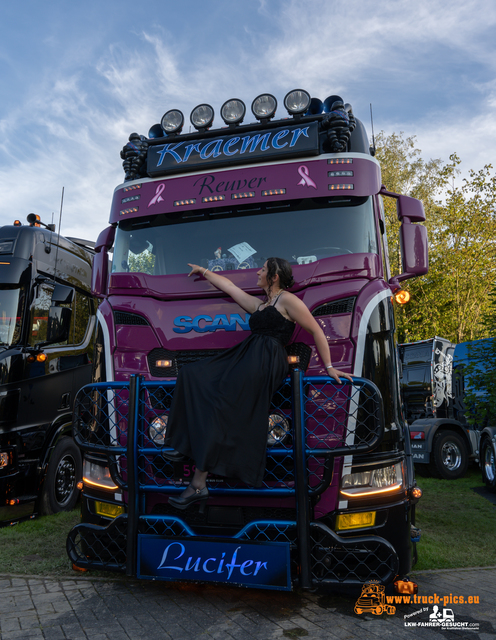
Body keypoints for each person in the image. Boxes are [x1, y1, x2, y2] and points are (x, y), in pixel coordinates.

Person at [165, 257, 353, 511]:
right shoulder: (261, 305)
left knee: (222, 403)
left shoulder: (287, 300)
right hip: (247, 356)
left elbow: (317, 330)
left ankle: (198, 481)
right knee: (190, 374)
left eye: (262, 269)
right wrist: (204, 271)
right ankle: (182, 447)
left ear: (274, 276)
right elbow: (230, 287)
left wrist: (330, 367)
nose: (257, 272)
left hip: (266, 361)